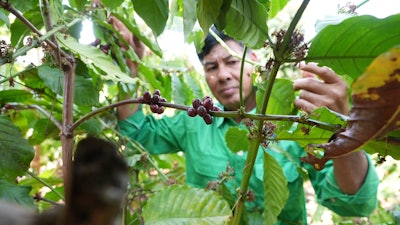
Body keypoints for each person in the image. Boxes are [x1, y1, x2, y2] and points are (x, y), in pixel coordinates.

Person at [110, 17, 379, 224]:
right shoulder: (194, 123)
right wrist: (127, 71)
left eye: (231, 62)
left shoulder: (296, 122)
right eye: (212, 67)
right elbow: (138, 132)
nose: (224, 75)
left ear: (252, 59)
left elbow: (354, 204)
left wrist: (342, 129)